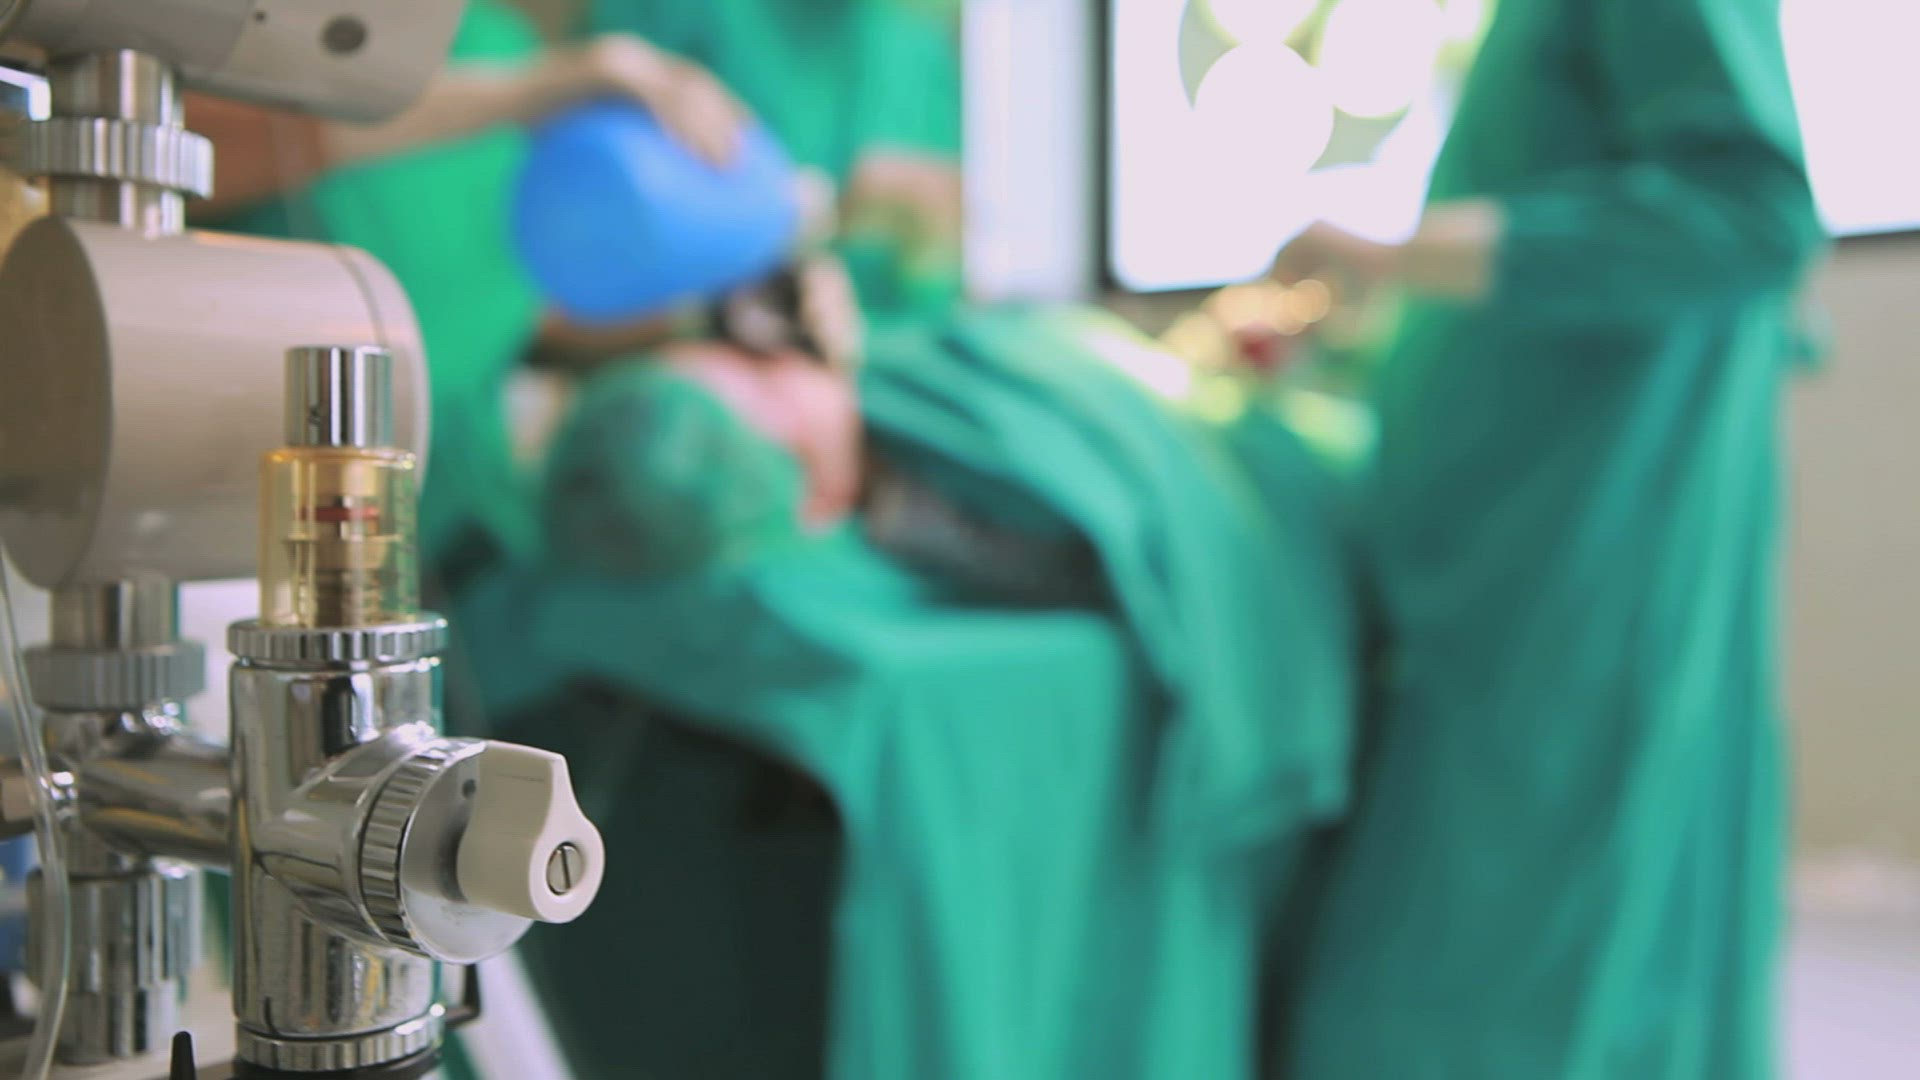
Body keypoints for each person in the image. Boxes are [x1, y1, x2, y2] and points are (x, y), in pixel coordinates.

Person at [1265, 0, 1826, 1075]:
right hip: (1499, 541)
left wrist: (1393, 254)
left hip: (1585, 545)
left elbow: (1745, 215)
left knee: (1514, 955)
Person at [188, 0, 753, 596]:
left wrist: (726, 304)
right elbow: (199, 151)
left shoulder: (505, 53)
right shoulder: (476, 53)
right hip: (189, 406)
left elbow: (555, 322)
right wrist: (515, 95)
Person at [583, 0, 964, 319]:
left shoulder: (916, 46)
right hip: (712, 346)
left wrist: (925, 245)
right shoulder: (681, 17)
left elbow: (934, 287)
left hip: (885, 351)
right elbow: (592, 260)